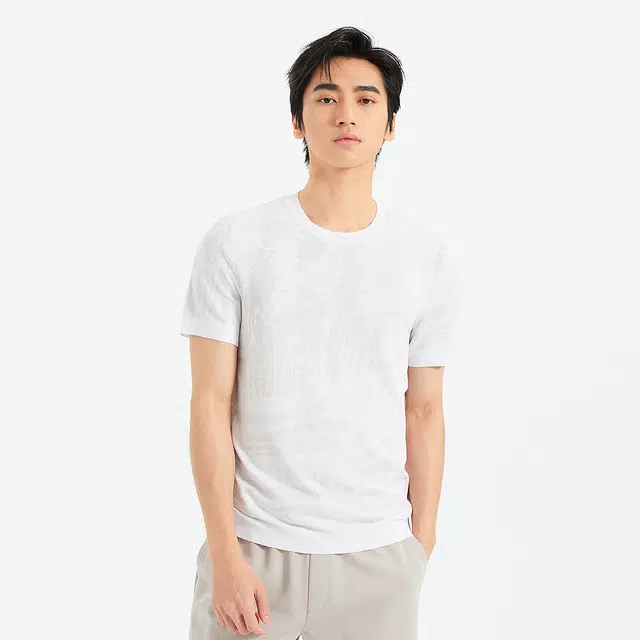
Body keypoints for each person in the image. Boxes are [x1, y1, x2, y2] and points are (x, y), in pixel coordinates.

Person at [180, 25, 461, 640]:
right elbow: (209, 402)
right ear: (297, 121)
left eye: (366, 98)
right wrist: (224, 553)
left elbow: (425, 409)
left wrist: (420, 543)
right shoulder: (236, 242)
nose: (346, 114)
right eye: (326, 97)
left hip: (378, 556)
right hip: (253, 549)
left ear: (390, 125)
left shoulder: (424, 256)